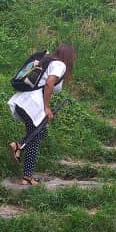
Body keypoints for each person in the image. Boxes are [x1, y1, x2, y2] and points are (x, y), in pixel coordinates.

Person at [7, 44, 77, 185]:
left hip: (24, 101)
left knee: (38, 134)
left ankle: (20, 150)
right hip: (32, 104)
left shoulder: (49, 61)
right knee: (35, 137)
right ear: (68, 57)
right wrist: (46, 107)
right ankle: (24, 165)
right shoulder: (60, 65)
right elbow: (49, 83)